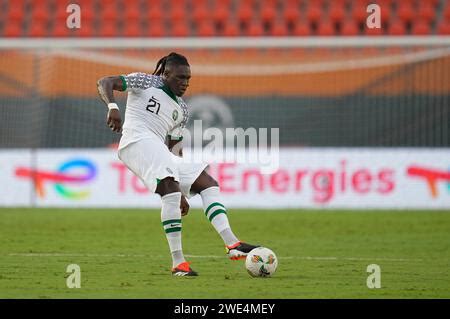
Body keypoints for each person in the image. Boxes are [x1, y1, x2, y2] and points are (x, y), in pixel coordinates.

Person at [96, 52, 258, 276]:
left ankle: (232, 244)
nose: (185, 84)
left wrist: (183, 187)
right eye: (180, 78)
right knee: (170, 192)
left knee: (207, 182)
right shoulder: (144, 81)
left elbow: (174, 149)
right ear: (166, 73)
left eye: (188, 79)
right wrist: (113, 107)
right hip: (135, 142)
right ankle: (178, 263)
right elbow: (105, 82)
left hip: (159, 150)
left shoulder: (182, 110)